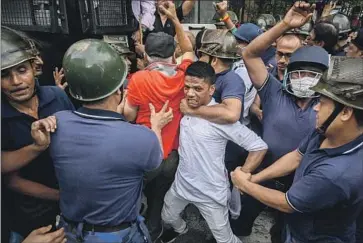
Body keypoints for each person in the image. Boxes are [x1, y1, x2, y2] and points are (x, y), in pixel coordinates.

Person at [44, 39, 172, 243]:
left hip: (68, 232)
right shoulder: (140, 137)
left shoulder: (56, 123)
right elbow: (154, 163)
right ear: (119, 90)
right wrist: (156, 127)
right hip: (115, 235)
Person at [232, 56, 363, 243]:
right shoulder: (325, 132)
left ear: (345, 112)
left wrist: (244, 184)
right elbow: (296, 157)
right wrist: (255, 178)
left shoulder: (337, 174)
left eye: (323, 102)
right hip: (296, 225)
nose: (316, 108)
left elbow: (287, 203)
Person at [233, 1, 330, 238]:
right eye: (299, 72)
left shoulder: (328, 107)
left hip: (300, 182)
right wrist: (285, 24)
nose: (303, 78)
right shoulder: (273, 91)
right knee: (241, 221)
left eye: (311, 73)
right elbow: (249, 53)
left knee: (285, 232)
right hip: (263, 171)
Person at [159, 61, 268, 243]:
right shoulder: (185, 106)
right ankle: (185, 231)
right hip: (182, 185)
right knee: (167, 217)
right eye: (186, 87)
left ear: (211, 89)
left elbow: (259, 146)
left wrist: (243, 175)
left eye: (198, 88)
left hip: (210, 193)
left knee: (224, 239)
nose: (190, 93)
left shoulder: (221, 118)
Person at [124, 1, 195, 241]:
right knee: (159, 196)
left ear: (146, 54)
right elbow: (188, 49)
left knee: (134, 194)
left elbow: (129, 116)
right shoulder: (185, 75)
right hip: (171, 155)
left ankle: (133, 232)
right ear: (172, 54)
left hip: (146, 154)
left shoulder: (138, 79)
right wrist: (175, 19)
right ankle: (154, 231)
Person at [1, 26, 75, 243]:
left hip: (71, 202)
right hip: (31, 217)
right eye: (4, 75)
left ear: (35, 68)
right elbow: (11, 180)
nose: (16, 82)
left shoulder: (56, 96)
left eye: (21, 70)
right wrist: (36, 148)